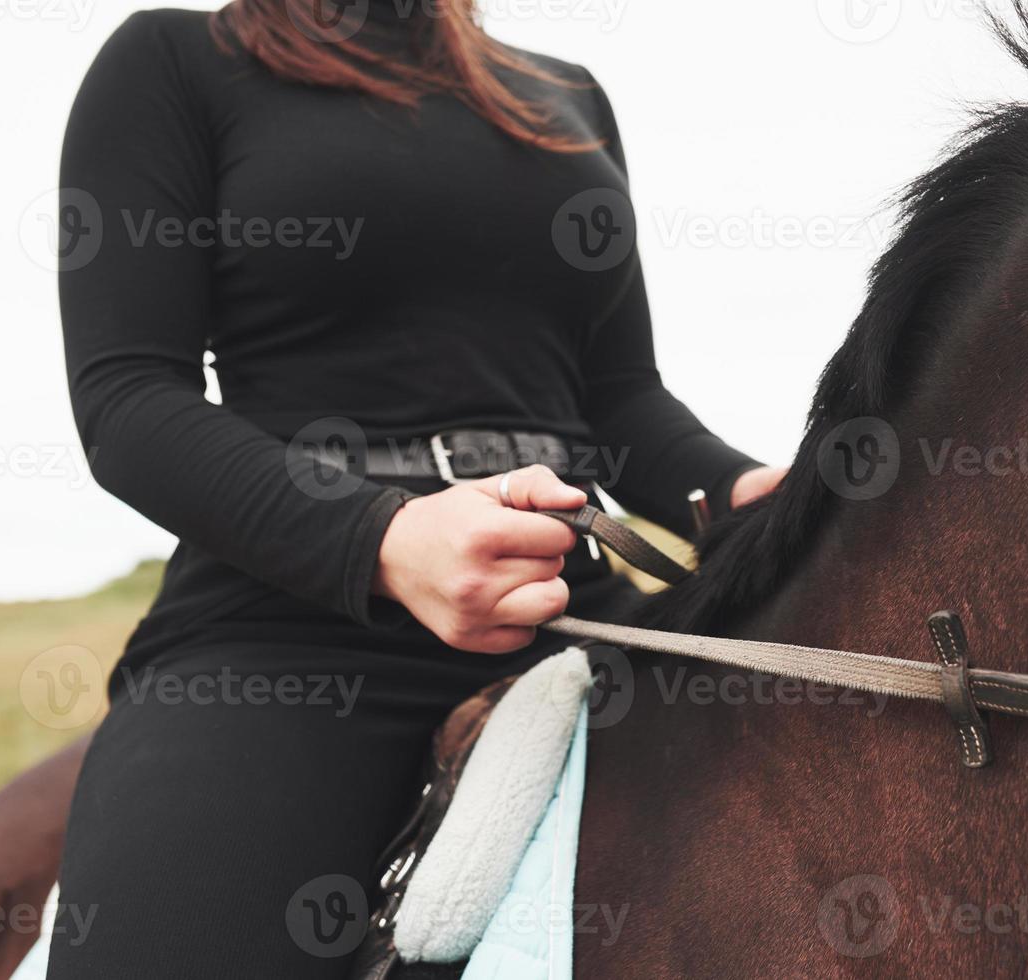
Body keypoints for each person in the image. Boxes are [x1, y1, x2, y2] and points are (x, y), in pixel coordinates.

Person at [47, 2, 784, 975]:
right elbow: (128, 397)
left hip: (571, 603)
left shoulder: (565, 92)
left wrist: (756, 492)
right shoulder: (176, 60)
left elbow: (617, 398)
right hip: (285, 628)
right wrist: (385, 540)